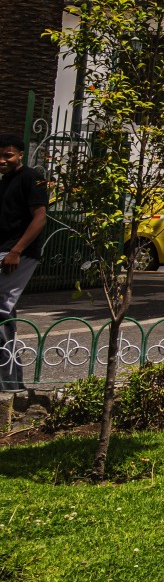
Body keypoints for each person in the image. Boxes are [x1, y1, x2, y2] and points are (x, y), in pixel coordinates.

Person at [0, 135, 48, 392]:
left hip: (18, 253)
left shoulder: (32, 177)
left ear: (20, 154)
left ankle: (9, 384)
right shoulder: (5, 181)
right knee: (3, 312)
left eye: (7, 155)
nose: (2, 160)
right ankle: (10, 383)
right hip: (5, 250)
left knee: (2, 310)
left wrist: (16, 251)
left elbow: (40, 218)